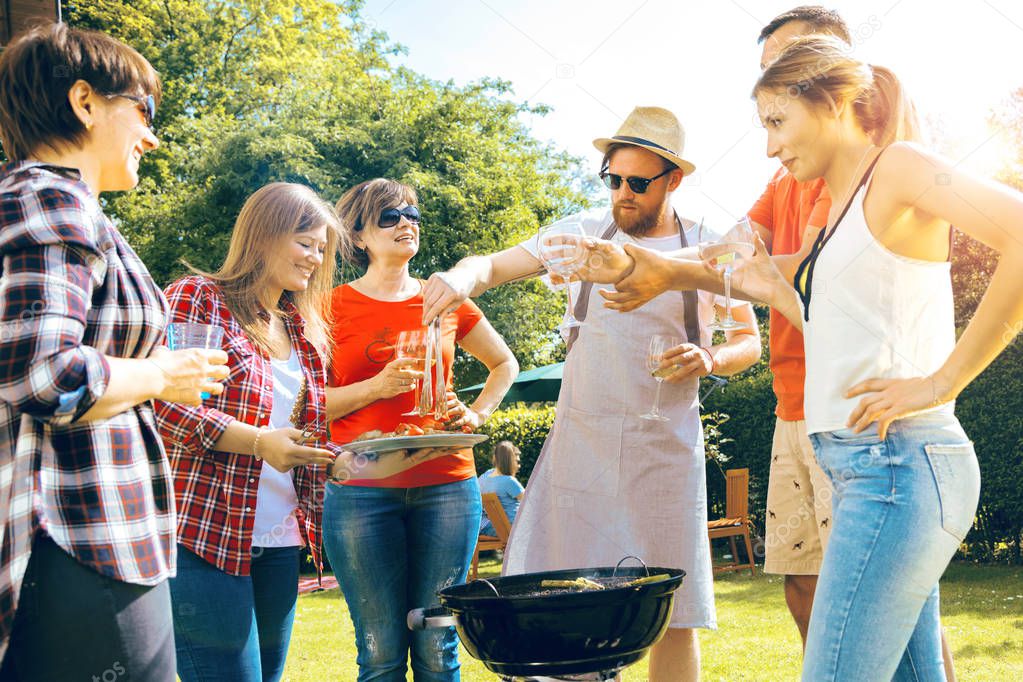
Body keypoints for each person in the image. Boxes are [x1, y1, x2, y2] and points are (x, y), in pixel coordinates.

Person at [422, 108, 762, 682]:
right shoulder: (579, 235)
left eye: (638, 183)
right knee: (569, 596)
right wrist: (461, 276)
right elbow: (495, 265)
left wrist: (710, 358)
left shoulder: (710, 247)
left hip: (666, 450)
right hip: (584, 446)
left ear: (673, 180)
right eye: (614, 180)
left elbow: (749, 341)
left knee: (672, 610)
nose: (622, 195)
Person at [0, 24, 229, 680]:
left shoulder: (49, 204)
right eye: (144, 109)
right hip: (77, 535)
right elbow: (42, 375)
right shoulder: (51, 200)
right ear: (85, 102)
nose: (151, 136)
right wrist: (159, 373)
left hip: (76, 541)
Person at [154, 182, 362, 681]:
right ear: (264, 234)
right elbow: (162, 406)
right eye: (305, 242)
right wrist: (255, 442)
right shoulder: (199, 297)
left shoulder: (302, 334)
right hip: (201, 534)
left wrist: (347, 457)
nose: (315, 258)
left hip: (279, 541)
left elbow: (299, 438)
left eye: (321, 248)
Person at [323, 178, 517, 681]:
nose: (406, 222)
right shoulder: (327, 307)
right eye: (390, 216)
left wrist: (476, 415)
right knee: (380, 651)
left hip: (448, 486)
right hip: (360, 490)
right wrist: (375, 388)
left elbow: (505, 365)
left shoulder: (445, 298)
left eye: (412, 213)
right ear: (359, 235)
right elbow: (303, 407)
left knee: (438, 645)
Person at [478, 440, 525, 536]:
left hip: (492, 527)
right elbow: (529, 502)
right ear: (511, 460)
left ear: (495, 458)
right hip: (510, 528)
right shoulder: (509, 481)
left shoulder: (484, 477)